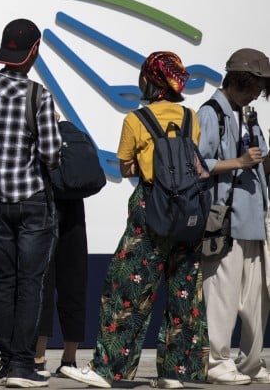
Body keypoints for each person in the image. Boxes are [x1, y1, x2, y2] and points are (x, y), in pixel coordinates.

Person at [64, 51, 208, 390]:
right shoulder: (191, 118)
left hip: (151, 207)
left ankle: (108, 368)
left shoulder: (136, 120)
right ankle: (174, 373)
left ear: (152, 80)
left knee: (125, 288)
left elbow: (126, 165)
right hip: (188, 212)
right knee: (184, 291)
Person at [0, 18, 61, 389]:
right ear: (34, 51)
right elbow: (52, 155)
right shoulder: (39, 96)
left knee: (4, 284)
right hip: (33, 201)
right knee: (30, 285)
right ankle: (23, 365)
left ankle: (6, 361)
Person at [197, 48, 270, 385]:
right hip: (224, 218)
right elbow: (198, 164)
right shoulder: (211, 113)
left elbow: (262, 162)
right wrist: (239, 163)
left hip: (255, 219)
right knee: (222, 295)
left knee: (258, 299)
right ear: (241, 79)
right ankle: (216, 361)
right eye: (255, 85)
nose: (258, 92)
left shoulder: (248, 115)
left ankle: (251, 362)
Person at [34, 196, 87, 380]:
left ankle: (38, 358)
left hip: (43, 198)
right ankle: (69, 360)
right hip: (72, 195)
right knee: (74, 278)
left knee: (42, 281)